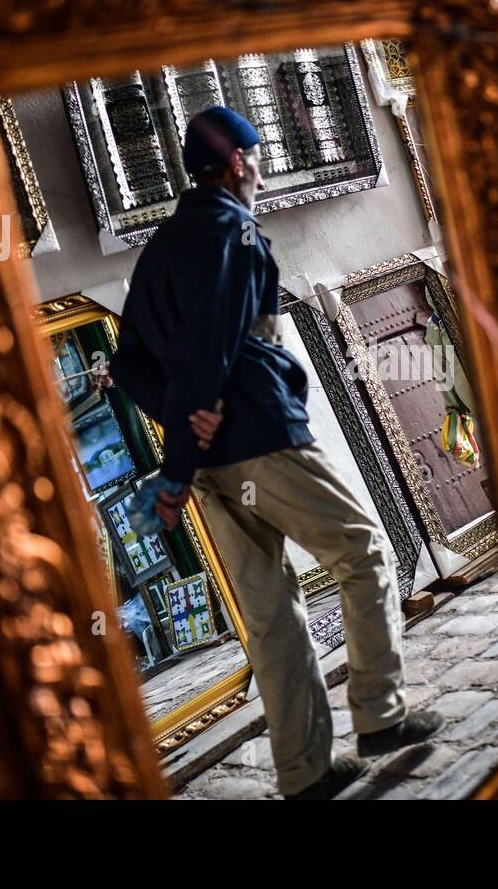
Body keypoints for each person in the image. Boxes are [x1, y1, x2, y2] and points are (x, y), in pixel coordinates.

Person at [111, 106, 444, 799]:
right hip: (261, 439)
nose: (260, 170)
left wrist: (181, 446)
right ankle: (380, 715)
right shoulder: (232, 230)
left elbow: (132, 364)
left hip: (207, 468)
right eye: (257, 157)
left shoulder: (162, 249)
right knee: (362, 552)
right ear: (239, 162)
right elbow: (212, 343)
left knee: (269, 613)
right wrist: (199, 416)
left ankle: (305, 770)